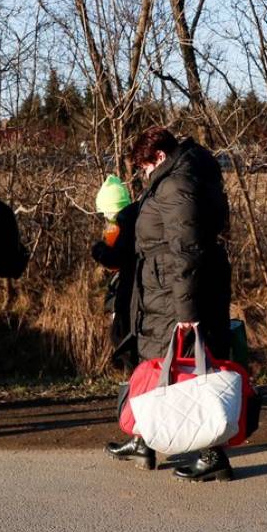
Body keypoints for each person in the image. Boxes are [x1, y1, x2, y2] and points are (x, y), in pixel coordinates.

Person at [120, 126, 234, 482]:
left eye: (144, 166)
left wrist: (187, 313)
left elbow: (186, 250)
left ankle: (214, 455)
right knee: (155, 365)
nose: (143, 174)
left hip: (178, 293)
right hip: (163, 289)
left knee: (193, 372)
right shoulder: (176, 179)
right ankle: (144, 440)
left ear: (160, 157)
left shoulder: (177, 185)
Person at [92, 176, 152, 468]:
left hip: (132, 303)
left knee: (132, 364)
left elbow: (118, 257)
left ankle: (138, 435)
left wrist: (99, 251)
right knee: (144, 365)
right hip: (149, 303)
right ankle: (142, 437)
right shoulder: (144, 213)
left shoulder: (123, 223)